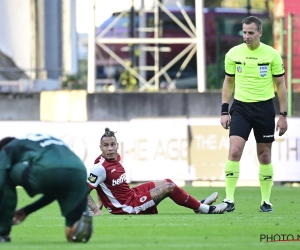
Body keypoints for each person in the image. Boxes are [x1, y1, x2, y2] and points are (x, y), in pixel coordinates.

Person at [220, 16, 288, 213]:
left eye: (250, 32)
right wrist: (225, 110)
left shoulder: (272, 54)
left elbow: (281, 86)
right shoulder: (233, 54)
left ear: (260, 33)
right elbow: (228, 82)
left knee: (264, 155)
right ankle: (229, 199)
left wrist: (283, 114)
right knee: (234, 151)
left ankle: (266, 202)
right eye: (244, 32)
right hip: (241, 107)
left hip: (264, 108)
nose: (246, 36)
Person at [86, 128, 228, 216]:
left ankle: (198, 205)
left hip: (131, 195)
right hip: (128, 207)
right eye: (106, 145)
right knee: (169, 188)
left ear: (117, 145)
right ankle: (206, 209)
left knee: (168, 181)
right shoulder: (99, 167)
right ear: (100, 147)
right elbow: (83, 191)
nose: (110, 148)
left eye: (112, 145)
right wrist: (97, 210)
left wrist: (101, 203)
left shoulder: (116, 158)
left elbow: (101, 185)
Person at [0, 134, 93, 243]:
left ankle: (2, 233)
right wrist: (27, 210)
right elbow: (55, 191)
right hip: (79, 172)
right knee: (71, 235)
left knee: (8, 174)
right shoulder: (41, 140)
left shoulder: (8, 148)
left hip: (47, 170)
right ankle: (79, 223)